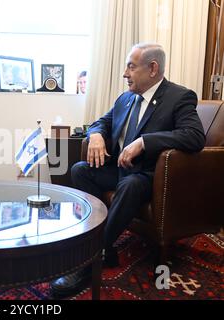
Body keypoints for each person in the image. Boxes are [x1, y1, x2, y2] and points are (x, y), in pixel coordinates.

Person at [50, 43, 205, 299]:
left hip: (150, 176)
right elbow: (101, 122)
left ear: (152, 68)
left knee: (130, 185)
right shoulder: (125, 99)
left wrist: (145, 142)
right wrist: (97, 135)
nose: (125, 73)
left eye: (131, 67)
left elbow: (194, 136)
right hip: (121, 169)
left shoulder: (179, 96)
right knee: (80, 171)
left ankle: (89, 259)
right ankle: (101, 244)